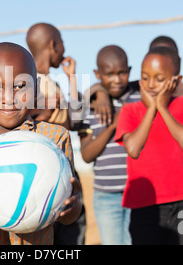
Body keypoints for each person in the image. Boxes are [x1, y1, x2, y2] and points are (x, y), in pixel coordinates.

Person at [0, 42, 82, 245]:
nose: (8, 97)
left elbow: (67, 217)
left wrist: (74, 203)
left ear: (35, 89)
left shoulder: (54, 138)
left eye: (19, 86)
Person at [114, 46, 183, 245]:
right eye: (145, 78)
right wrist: (151, 109)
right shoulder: (130, 111)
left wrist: (162, 107)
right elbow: (133, 149)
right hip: (145, 207)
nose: (151, 85)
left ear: (176, 81)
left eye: (159, 79)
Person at [26, 22, 86, 245]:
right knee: (67, 232)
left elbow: (75, 120)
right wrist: (44, 106)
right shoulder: (31, 82)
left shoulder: (49, 83)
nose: (63, 49)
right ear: (53, 45)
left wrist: (71, 78)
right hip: (49, 169)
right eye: (62, 44)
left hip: (58, 167)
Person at [78, 45, 140, 245]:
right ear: (97, 74)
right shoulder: (90, 106)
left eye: (122, 73)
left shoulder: (140, 97)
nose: (116, 79)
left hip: (138, 191)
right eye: (109, 74)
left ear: (129, 71)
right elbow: (87, 155)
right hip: (106, 195)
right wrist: (114, 125)